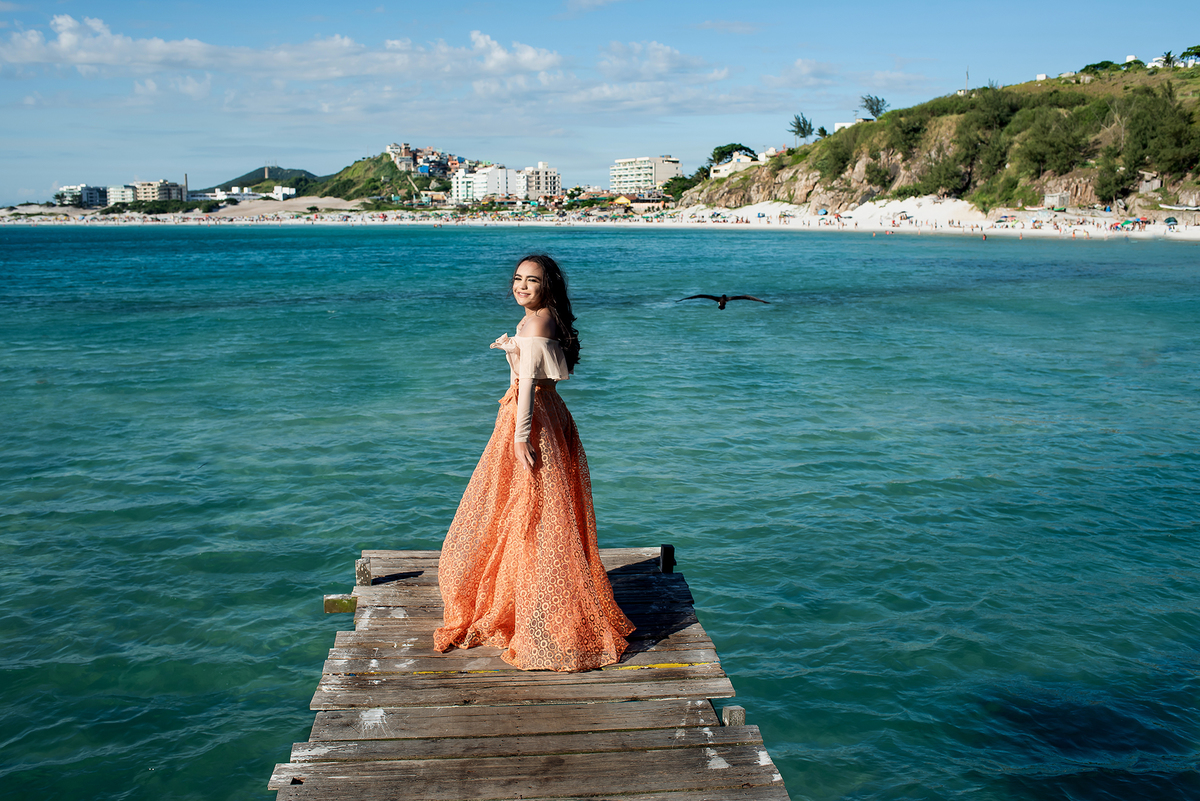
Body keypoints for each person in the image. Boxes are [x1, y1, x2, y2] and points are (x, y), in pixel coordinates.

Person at [433, 254, 634, 672]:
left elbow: (527, 384)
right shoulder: (534, 321)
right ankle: (526, 599)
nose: (522, 286)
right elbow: (532, 370)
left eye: (533, 281)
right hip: (543, 411)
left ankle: (539, 611)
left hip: (532, 417)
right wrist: (512, 347)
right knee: (526, 507)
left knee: (535, 510)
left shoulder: (539, 322)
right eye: (518, 279)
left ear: (548, 287)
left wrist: (521, 436)